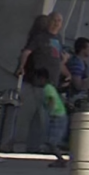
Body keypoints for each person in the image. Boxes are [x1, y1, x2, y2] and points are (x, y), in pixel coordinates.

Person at [17, 13, 64, 153]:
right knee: (45, 114)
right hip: (40, 80)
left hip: (52, 82)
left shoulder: (58, 39)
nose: (56, 23)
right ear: (48, 21)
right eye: (54, 20)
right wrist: (21, 67)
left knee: (40, 115)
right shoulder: (39, 37)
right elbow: (26, 52)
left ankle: (34, 145)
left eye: (59, 21)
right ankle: (44, 144)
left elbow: (58, 59)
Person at [34, 67, 68, 168]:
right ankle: (60, 158)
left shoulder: (47, 88)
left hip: (57, 116)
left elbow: (51, 100)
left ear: (42, 78)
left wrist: (50, 111)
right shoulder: (50, 87)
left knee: (52, 142)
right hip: (59, 115)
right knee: (51, 141)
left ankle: (61, 159)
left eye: (37, 79)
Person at [66, 37, 89, 104]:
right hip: (74, 98)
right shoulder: (76, 63)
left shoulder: (82, 63)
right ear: (83, 49)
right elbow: (77, 85)